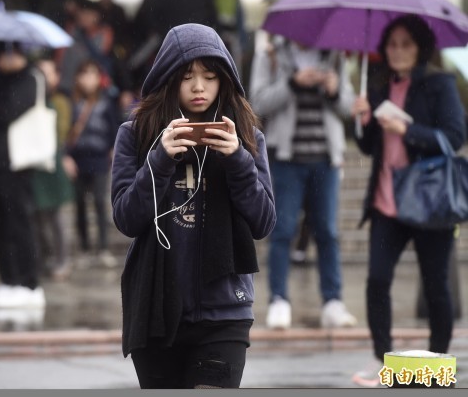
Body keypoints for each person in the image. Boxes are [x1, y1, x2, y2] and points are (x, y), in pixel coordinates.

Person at [111, 23, 276, 389]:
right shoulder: (136, 134)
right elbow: (125, 217)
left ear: (225, 81)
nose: (199, 87)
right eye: (187, 76)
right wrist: (159, 161)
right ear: (169, 78)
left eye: (210, 76)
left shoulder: (247, 136)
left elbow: (263, 221)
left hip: (224, 314)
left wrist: (237, 159)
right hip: (156, 311)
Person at [350, 15, 466, 387]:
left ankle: (434, 368)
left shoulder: (438, 83)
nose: (397, 51)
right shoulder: (380, 84)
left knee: (436, 286)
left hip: (429, 203)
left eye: (406, 44)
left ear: (419, 48)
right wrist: (363, 120)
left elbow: (454, 137)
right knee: (377, 281)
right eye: (392, 44)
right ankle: (385, 362)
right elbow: (370, 147)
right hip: (387, 203)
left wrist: (409, 130)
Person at [249, 35, 357, 330]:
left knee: (328, 232)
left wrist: (334, 91)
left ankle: (333, 302)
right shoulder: (271, 54)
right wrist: (294, 83)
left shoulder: (335, 53)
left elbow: (349, 107)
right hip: (286, 157)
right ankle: (279, 300)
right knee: (282, 230)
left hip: (326, 157)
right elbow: (256, 103)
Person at [0, 41, 44, 309]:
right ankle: (8, 280)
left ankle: (29, 282)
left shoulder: (31, 77)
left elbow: (15, 108)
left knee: (20, 224)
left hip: (19, 161)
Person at [64, 59, 120, 268]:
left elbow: (116, 128)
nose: (88, 79)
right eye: (84, 74)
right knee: (79, 204)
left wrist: (116, 150)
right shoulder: (71, 102)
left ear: (99, 79)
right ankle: (85, 248)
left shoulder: (106, 102)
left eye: (92, 75)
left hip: (99, 158)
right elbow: (65, 132)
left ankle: (103, 248)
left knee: (99, 202)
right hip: (77, 159)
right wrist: (65, 156)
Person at [31, 58, 74, 280]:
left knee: (56, 218)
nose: (46, 78)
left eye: (50, 72)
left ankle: (61, 260)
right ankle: (42, 260)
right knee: (37, 218)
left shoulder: (58, 103)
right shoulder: (28, 102)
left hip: (53, 162)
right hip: (34, 164)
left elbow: (61, 135)